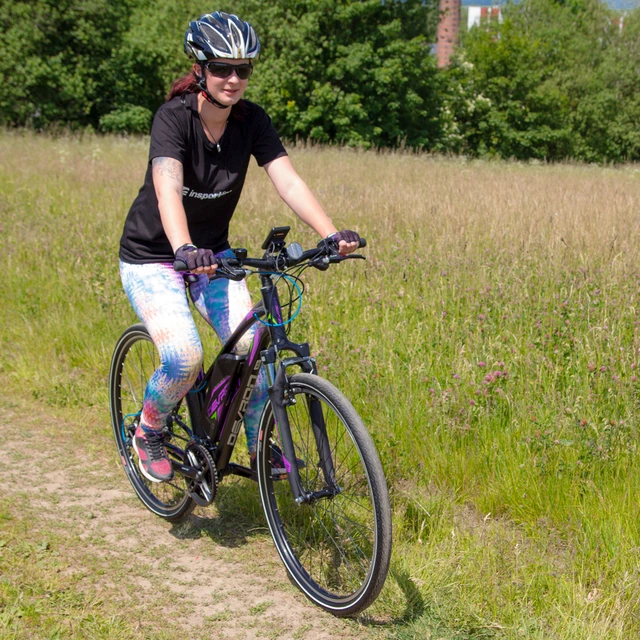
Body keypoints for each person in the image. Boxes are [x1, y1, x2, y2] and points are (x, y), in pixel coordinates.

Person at [118, 11, 360, 483]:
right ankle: (149, 429)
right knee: (184, 357)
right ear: (200, 70)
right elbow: (168, 188)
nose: (233, 79)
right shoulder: (174, 118)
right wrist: (184, 246)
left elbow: (287, 180)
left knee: (256, 345)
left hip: (213, 259)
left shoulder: (251, 121)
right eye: (223, 68)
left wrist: (330, 234)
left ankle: (254, 443)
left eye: (243, 70)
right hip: (153, 256)